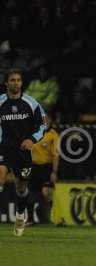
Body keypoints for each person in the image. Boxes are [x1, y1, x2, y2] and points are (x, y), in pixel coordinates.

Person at [0, 68, 46, 236]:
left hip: (22, 152)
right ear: (6, 83)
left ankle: (20, 216)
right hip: (3, 148)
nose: (16, 83)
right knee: (0, 176)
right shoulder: (0, 102)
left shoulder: (31, 103)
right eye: (12, 80)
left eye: (18, 80)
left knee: (21, 188)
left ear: (22, 83)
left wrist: (31, 140)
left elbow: (42, 125)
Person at [27, 112, 59, 225]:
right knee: (29, 194)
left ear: (51, 120)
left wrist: (54, 172)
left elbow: (56, 155)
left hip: (47, 167)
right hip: (34, 167)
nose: (45, 121)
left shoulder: (53, 135)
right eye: (43, 119)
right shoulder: (33, 133)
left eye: (47, 119)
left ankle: (50, 218)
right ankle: (30, 220)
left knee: (47, 193)